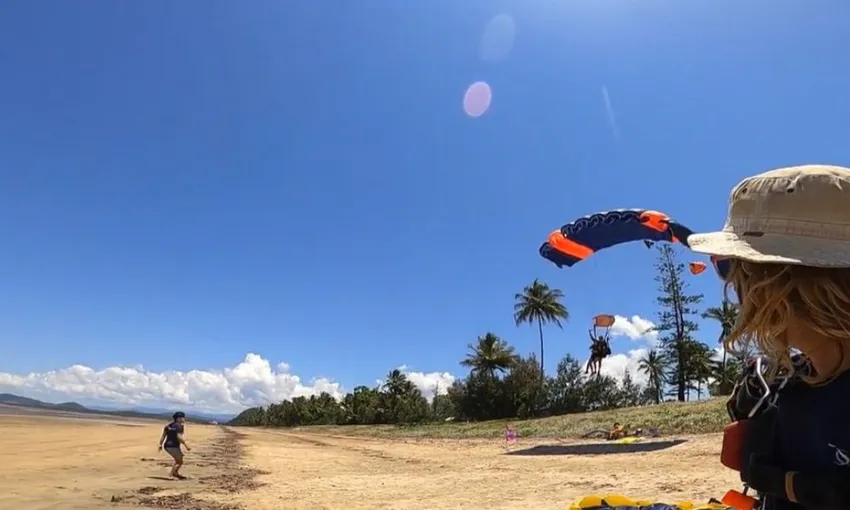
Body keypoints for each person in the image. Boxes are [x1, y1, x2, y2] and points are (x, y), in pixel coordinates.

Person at [689, 164, 850, 510]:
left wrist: (786, 483)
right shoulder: (786, 388)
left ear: (780, 283)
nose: (734, 288)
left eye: (736, 269)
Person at [158, 411, 191, 479]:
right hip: (173, 446)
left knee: (179, 460)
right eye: (183, 418)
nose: (184, 419)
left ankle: (175, 473)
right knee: (179, 461)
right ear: (178, 418)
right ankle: (171, 475)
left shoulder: (168, 426)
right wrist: (186, 445)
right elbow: (179, 437)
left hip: (167, 446)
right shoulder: (179, 426)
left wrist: (160, 444)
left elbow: (163, 436)